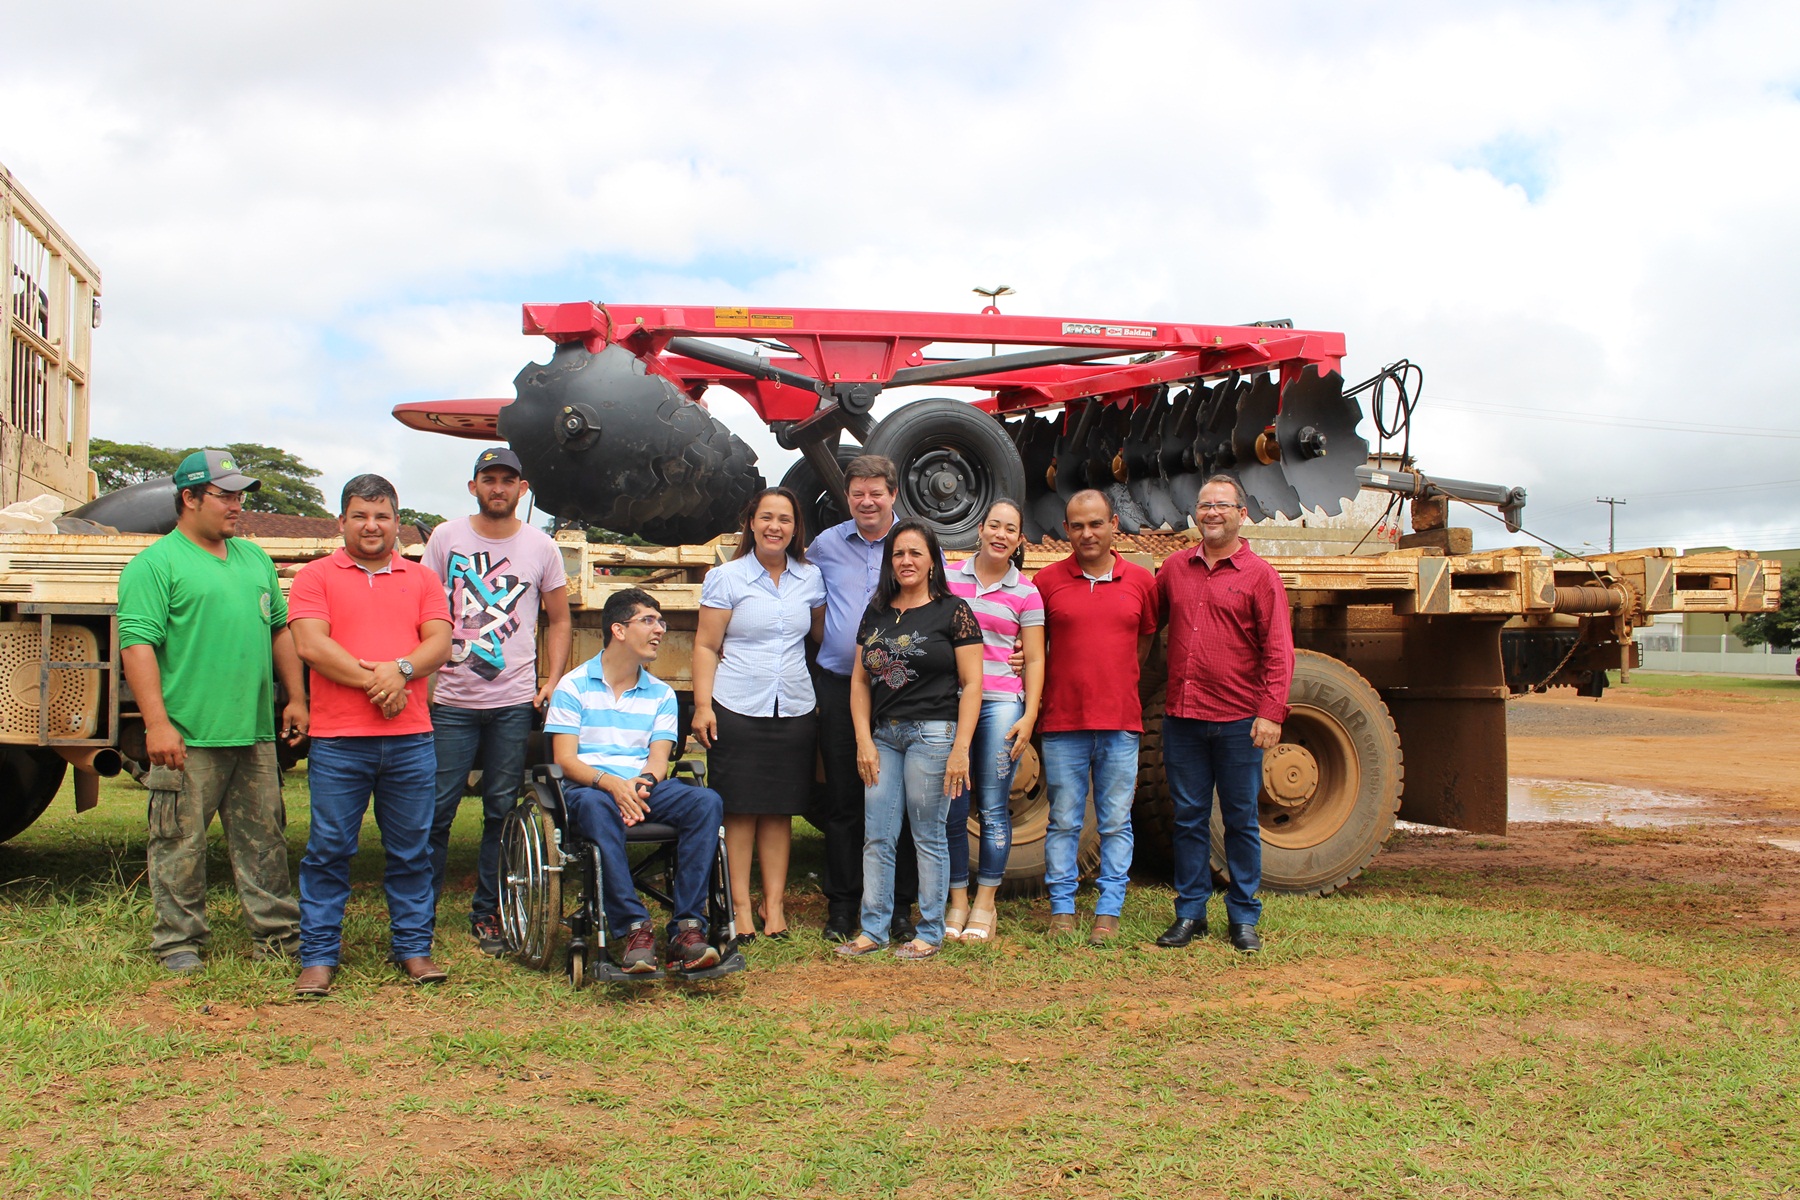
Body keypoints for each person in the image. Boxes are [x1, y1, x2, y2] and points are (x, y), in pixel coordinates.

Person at [117, 449, 310, 973]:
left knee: (265, 838)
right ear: (189, 498)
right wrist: (157, 724)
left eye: (239, 494)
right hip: (187, 736)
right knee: (178, 841)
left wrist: (295, 697)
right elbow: (136, 646)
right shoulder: (156, 565)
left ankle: (276, 938)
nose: (236, 505)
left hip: (252, 734)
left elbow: (280, 631)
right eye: (224, 495)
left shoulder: (254, 560)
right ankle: (178, 942)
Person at [288, 475, 453, 998]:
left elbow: (440, 642)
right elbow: (311, 644)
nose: (371, 525)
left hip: (410, 739)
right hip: (339, 739)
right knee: (329, 848)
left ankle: (414, 949)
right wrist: (383, 682)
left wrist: (400, 670)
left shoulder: (422, 579)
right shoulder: (314, 577)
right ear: (342, 522)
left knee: (410, 850)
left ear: (397, 523)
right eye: (360, 515)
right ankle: (317, 957)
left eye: (381, 516)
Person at [423, 447, 571, 957]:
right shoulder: (446, 538)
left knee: (500, 811)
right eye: (489, 479)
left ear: (522, 489)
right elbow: (423, 607)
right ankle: (419, 912)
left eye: (509, 479)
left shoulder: (542, 547)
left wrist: (552, 677)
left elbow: (560, 617)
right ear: (474, 487)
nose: (499, 488)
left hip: (511, 702)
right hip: (450, 701)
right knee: (436, 811)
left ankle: (488, 912)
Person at [544, 588, 727, 974]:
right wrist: (612, 784)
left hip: (643, 788)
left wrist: (638, 787)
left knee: (706, 801)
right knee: (596, 805)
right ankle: (632, 927)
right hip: (589, 788)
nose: (660, 629)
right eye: (649, 620)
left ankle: (687, 928)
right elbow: (564, 759)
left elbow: (658, 759)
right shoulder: (573, 687)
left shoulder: (661, 694)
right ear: (619, 630)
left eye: (661, 621)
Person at [1154, 475, 1294, 954]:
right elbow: (1140, 621)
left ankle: (1243, 917)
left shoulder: (1260, 575)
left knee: (1239, 820)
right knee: (1189, 818)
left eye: (1222, 505)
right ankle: (1190, 913)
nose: (1212, 513)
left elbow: (1279, 651)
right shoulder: (1174, 569)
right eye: (1205, 505)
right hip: (1184, 718)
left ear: (1242, 513)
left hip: (1238, 721)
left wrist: (1271, 712)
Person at [838, 519, 985, 963]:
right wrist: (863, 740)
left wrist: (961, 748)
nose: (906, 561)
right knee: (877, 836)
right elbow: (860, 682)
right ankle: (873, 929)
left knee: (927, 835)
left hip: (933, 735)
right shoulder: (877, 612)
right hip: (883, 736)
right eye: (898, 553)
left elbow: (972, 684)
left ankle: (930, 932)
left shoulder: (953, 611)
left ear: (931, 561)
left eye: (915, 553)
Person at [691, 487, 826, 942]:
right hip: (737, 704)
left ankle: (775, 905)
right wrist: (703, 705)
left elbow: (824, 636)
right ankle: (741, 907)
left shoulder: (810, 576)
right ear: (751, 523)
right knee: (741, 810)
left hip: (793, 705)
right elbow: (707, 645)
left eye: (785, 519)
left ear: (795, 528)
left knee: (779, 811)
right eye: (766, 517)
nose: (775, 527)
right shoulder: (727, 577)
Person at [1035, 489, 1158, 945]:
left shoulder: (1142, 583)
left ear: (1114, 525)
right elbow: (1033, 649)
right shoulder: (1046, 583)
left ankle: (1108, 910)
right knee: (1064, 820)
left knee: (1114, 821)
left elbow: (1143, 644)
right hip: (1062, 722)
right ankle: (1062, 908)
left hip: (1120, 722)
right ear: (1066, 530)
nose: (1087, 533)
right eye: (1077, 525)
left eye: (1096, 524)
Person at [808, 454, 918, 943]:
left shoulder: (912, 543)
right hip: (837, 685)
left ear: (893, 494)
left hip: (899, 688)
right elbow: (807, 604)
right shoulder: (825, 545)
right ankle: (842, 906)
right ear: (847, 497)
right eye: (858, 493)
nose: (867, 501)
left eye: (877, 492)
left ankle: (899, 908)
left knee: (905, 801)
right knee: (844, 800)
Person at [942, 500, 1044, 943]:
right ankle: (958, 899)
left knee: (994, 807)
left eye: (1011, 530)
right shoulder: (946, 578)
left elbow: (1035, 657)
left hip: (1002, 700)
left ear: (1020, 540)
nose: (1001, 535)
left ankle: (986, 902)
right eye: (994, 526)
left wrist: (1030, 714)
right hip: (952, 698)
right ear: (980, 529)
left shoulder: (1027, 592)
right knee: (952, 804)